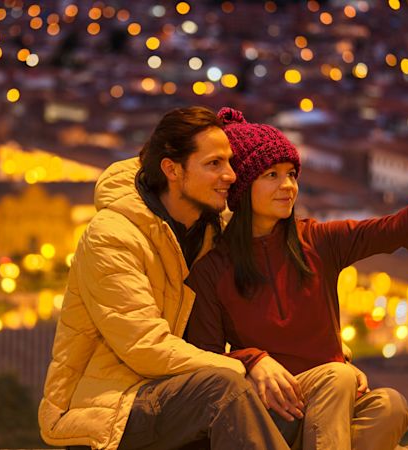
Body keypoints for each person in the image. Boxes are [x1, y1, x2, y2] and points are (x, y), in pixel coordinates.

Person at [186, 107, 408, 450]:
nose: (288, 186)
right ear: (242, 187)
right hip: (270, 410)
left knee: (391, 407)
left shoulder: (318, 241)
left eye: (292, 174)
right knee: (338, 377)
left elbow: (392, 231)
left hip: (333, 401)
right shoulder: (213, 269)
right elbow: (204, 359)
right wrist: (251, 360)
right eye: (272, 176)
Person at [38, 106, 293, 450]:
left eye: (229, 162)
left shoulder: (210, 231)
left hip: (171, 390)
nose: (231, 175)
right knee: (224, 388)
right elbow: (147, 348)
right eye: (214, 164)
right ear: (172, 170)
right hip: (109, 406)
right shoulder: (112, 236)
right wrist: (245, 366)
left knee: (299, 398)